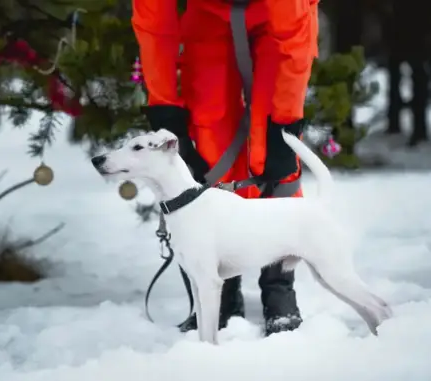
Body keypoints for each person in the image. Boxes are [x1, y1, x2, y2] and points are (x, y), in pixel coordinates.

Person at [131, 0, 319, 336]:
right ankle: (219, 290)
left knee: (273, 151)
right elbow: (154, 25)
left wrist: (285, 124)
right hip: (207, 18)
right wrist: (165, 113)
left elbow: (292, 31)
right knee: (209, 141)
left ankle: (278, 290)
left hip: (281, 19)